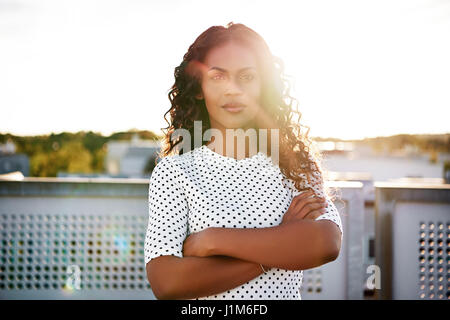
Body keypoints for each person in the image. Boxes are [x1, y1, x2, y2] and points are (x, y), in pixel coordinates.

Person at [144, 22, 343, 300]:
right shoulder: (175, 171)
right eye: (218, 77)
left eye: (247, 77)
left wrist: (213, 239)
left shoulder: (295, 164)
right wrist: (283, 241)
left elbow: (325, 242)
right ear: (198, 87)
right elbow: (167, 283)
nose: (233, 90)